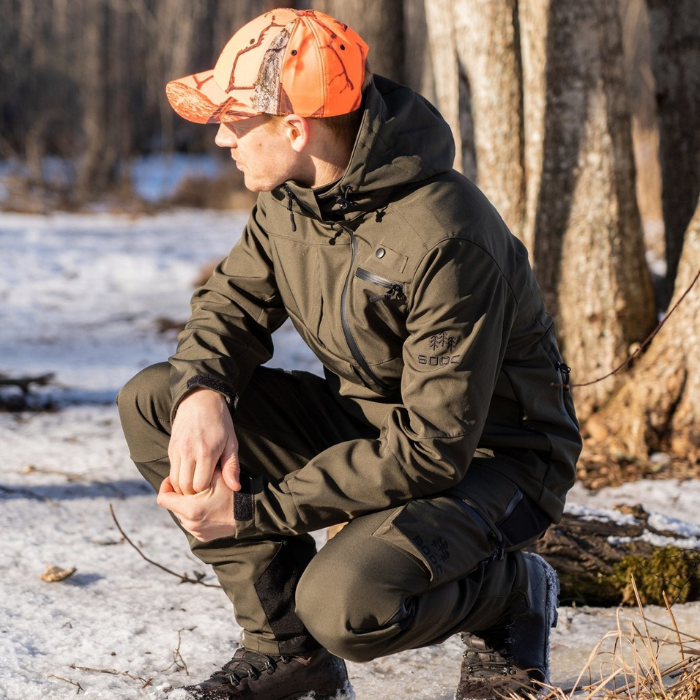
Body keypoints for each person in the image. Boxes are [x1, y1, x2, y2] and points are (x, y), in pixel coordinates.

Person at [117, 8, 582, 700]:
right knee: (158, 400)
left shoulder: (445, 237)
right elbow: (232, 306)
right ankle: (287, 654)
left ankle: (513, 592)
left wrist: (253, 514)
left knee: (344, 604)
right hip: (377, 429)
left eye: (234, 122)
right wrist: (203, 392)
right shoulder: (295, 197)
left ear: (295, 128)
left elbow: (432, 449)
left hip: (494, 461)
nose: (221, 138)